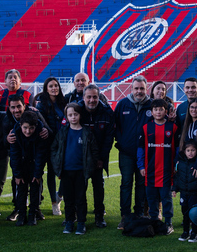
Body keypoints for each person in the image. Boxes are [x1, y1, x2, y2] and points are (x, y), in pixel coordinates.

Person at [51, 103, 99, 235]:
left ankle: (81, 223)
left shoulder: (87, 132)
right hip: (66, 171)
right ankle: (69, 221)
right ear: (66, 116)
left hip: (81, 172)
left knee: (80, 198)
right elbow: (54, 148)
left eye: (75, 114)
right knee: (68, 199)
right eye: (70, 115)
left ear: (80, 115)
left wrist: (91, 165)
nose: (73, 117)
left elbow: (94, 151)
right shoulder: (63, 132)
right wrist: (57, 165)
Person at [114, 76, 152, 228]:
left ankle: (140, 213)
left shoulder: (151, 105)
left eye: (142, 88)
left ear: (146, 88)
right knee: (126, 183)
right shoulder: (123, 104)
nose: (139, 91)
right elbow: (115, 126)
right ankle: (125, 215)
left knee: (142, 184)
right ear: (131, 88)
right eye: (136, 88)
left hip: (145, 154)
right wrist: (122, 142)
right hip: (127, 153)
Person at [138, 99, 179, 234]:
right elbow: (141, 149)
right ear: (152, 111)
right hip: (150, 170)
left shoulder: (172, 128)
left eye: (161, 109)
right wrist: (141, 166)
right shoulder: (146, 127)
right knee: (151, 198)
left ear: (166, 111)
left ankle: (168, 223)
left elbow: (178, 148)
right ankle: (154, 220)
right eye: (156, 109)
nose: (158, 112)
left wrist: (176, 164)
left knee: (166, 198)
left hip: (167, 170)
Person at [80, 84, 115, 228]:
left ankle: (99, 215)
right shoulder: (77, 109)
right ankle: (79, 214)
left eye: (95, 97)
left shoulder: (107, 112)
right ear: (84, 98)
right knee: (80, 187)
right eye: (89, 97)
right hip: (80, 157)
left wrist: (101, 158)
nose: (92, 100)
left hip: (98, 157)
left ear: (99, 97)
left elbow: (109, 138)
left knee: (98, 186)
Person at [9, 110, 48, 226]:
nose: (28, 131)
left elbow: (40, 155)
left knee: (35, 190)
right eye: (25, 128)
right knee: (21, 190)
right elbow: (14, 155)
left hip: (34, 164)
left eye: (31, 128)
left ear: (36, 126)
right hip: (21, 165)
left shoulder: (41, 134)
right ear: (20, 125)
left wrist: (37, 174)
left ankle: (32, 214)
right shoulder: (14, 134)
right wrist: (17, 174)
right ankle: (21, 215)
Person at [34, 76, 67, 215]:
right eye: (51, 86)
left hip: (62, 142)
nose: (54, 88)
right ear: (46, 89)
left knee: (65, 171)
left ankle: (59, 195)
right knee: (51, 172)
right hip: (47, 143)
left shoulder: (63, 102)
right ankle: (54, 203)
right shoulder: (41, 103)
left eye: (56, 86)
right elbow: (40, 123)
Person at [173, 141, 197, 242]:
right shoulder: (180, 163)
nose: (190, 153)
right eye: (188, 150)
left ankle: (194, 232)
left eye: (193, 150)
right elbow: (177, 177)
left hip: (194, 193)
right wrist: (174, 189)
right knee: (185, 213)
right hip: (183, 193)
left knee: (193, 213)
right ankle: (185, 231)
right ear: (184, 151)